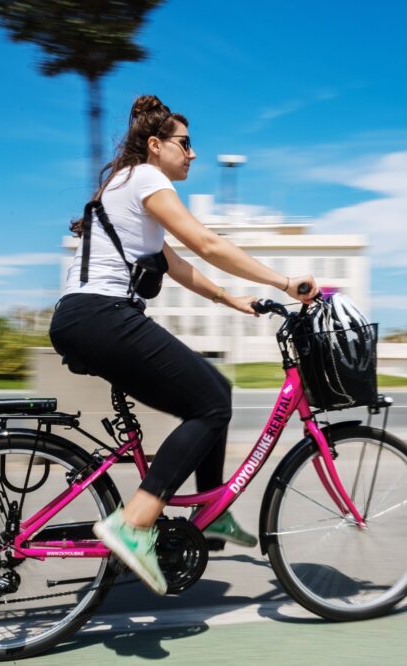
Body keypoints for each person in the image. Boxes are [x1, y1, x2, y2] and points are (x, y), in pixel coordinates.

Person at [48, 95, 318, 595]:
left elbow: (175, 263)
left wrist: (232, 299)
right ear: (155, 146)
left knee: (212, 391)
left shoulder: (125, 185)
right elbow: (207, 244)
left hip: (86, 317)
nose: (192, 154)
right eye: (185, 144)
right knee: (212, 404)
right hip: (102, 315)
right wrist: (285, 283)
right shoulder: (148, 178)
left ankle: (210, 516)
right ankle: (136, 521)